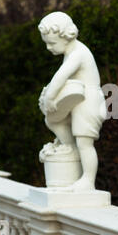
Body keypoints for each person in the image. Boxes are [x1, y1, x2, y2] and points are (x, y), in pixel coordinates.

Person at [38, 12, 107, 191]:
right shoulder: (71, 52)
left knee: (85, 142)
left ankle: (88, 180)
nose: (48, 47)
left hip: (89, 100)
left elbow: (60, 76)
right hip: (81, 98)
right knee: (52, 121)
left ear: (66, 37)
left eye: (51, 43)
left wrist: (51, 97)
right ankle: (69, 149)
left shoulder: (78, 53)